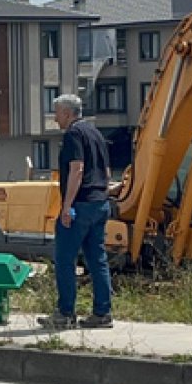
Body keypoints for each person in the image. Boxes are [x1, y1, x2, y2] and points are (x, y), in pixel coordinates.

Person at [38, 94, 115, 330]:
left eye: (57, 113)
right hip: (100, 202)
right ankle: (103, 312)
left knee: (64, 259)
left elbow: (77, 169)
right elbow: (107, 171)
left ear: (68, 113)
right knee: (97, 260)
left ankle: (65, 313)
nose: (55, 119)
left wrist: (67, 206)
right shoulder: (95, 133)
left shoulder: (73, 134)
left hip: (80, 205)